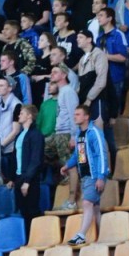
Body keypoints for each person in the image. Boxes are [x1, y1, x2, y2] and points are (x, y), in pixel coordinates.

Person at [62, 104, 110, 245]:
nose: (75, 117)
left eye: (78, 114)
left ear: (86, 116)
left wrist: (101, 177)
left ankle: (81, 235)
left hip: (93, 175)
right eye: (75, 114)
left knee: (87, 203)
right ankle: (103, 236)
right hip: (84, 176)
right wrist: (67, 165)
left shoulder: (94, 132)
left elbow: (102, 155)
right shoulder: (79, 134)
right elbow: (78, 154)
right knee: (95, 208)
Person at [45, 65, 80, 209]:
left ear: (64, 75)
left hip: (66, 133)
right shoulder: (61, 92)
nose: (52, 74)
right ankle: (62, 176)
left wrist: (74, 136)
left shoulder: (68, 91)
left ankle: (72, 201)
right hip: (58, 132)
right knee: (41, 149)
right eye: (51, 71)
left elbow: (74, 115)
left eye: (55, 72)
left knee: (71, 165)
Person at [8, 104, 44, 231]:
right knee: (23, 211)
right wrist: (12, 178)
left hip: (30, 179)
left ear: (29, 116)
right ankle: (27, 238)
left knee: (32, 211)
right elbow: (15, 157)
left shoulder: (36, 134)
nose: (19, 115)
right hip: (19, 177)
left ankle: (37, 237)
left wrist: (27, 181)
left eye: (22, 113)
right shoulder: (20, 135)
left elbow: (35, 159)